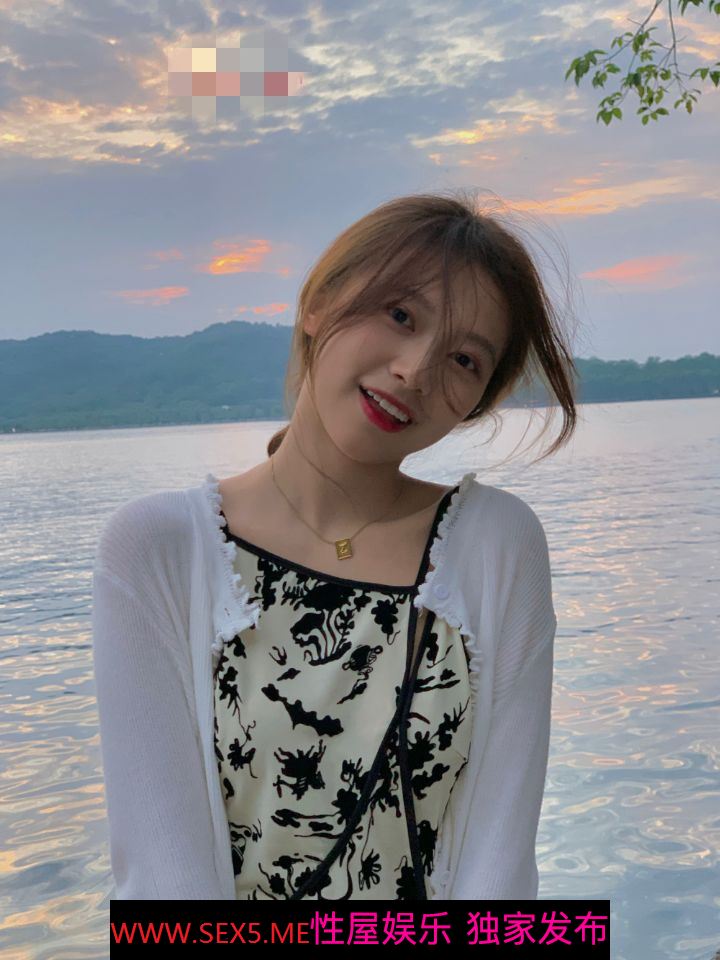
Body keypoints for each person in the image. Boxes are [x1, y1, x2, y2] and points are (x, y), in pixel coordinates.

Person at [91, 189, 578, 901]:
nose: (415, 370)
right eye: (400, 315)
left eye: (464, 359)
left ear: (476, 402)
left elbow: (500, 865)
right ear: (319, 304)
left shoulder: (495, 546)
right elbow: (162, 877)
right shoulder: (161, 551)